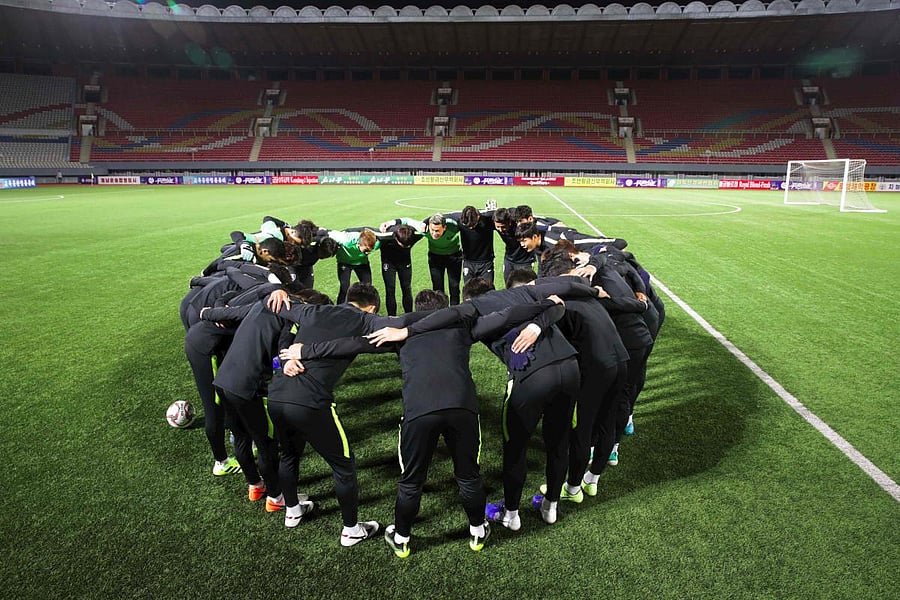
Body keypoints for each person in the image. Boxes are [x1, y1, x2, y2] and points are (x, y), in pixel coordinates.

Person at [288, 289, 562, 556]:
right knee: (468, 476)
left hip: (420, 411)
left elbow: (351, 344)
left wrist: (307, 351)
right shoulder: (461, 324)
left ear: (416, 309)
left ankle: (402, 537)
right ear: (444, 309)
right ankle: (478, 530)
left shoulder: (397, 329)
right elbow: (507, 315)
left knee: (411, 481)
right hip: (462, 409)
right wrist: (545, 304)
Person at [266, 283, 390, 542]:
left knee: (289, 454)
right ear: (372, 307)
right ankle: (351, 530)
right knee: (344, 465)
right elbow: (400, 326)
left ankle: (292, 510)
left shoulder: (314, 311)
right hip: (311, 402)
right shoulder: (366, 320)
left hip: (277, 395)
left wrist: (275, 292)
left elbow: (278, 311)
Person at [390, 214, 463, 305]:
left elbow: (461, 216)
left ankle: (455, 312)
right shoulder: (424, 228)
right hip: (435, 258)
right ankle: (441, 313)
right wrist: (389, 223)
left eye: (437, 231)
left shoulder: (454, 226)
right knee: (437, 288)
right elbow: (407, 220)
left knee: (454, 286)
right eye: (432, 230)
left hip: (454, 258)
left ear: (444, 227)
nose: (434, 233)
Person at [373, 224, 423, 315]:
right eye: (402, 245)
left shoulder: (414, 235)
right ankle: (392, 317)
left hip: (404, 263)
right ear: (396, 238)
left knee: (406, 288)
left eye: (407, 246)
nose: (405, 247)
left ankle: (409, 315)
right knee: (390, 290)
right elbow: (366, 230)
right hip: (389, 264)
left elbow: (427, 227)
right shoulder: (385, 236)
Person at [447, 205, 497, 286]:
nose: (471, 228)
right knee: (468, 292)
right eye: (468, 226)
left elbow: (508, 212)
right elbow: (441, 216)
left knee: (488, 291)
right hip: (468, 263)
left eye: (473, 225)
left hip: (486, 263)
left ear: (478, 217)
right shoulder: (459, 218)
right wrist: (425, 222)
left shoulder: (487, 218)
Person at [328, 228, 379, 305]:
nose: (368, 253)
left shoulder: (376, 243)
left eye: (369, 251)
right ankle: (339, 310)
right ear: (358, 244)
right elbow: (327, 233)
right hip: (344, 262)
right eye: (365, 251)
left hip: (362, 263)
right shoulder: (345, 240)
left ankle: (366, 310)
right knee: (344, 288)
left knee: (367, 287)